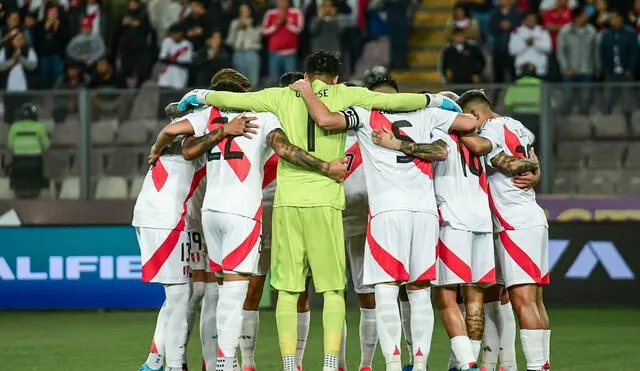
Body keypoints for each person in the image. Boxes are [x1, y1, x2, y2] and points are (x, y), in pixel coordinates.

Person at [176, 50, 460, 371]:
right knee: (333, 290)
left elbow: (237, 101)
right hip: (326, 202)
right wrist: (434, 101)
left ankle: (288, 365)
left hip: (287, 202)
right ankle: (328, 365)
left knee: (287, 289)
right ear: (336, 77)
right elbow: (395, 103)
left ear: (306, 75)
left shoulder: (280, 95)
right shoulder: (347, 94)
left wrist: (199, 95)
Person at [150, 68, 347, 371]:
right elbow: (285, 149)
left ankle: (214, 362)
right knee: (234, 291)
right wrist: (324, 166)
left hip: (210, 213)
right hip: (242, 212)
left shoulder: (209, 114)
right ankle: (228, 364)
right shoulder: (263, 115)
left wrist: (160, 147)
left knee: (218, 289)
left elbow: (184, 144)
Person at [290, 72, 478, 371]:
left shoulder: (365, 113)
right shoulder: (425, 112)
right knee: (419, 293)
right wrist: (443, 104)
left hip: (387, 213)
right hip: (425, 213)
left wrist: (305, 90)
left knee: (386, 291)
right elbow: (465, 128)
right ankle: (419, 365)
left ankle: (391, 364)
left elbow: (325, 121)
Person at [457, 89, 551, 371]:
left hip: (514, 223)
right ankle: (544, 364)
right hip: (532, 217)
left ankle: (536, 367)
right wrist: (537, 168)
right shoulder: (517, 126)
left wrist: (452, 128)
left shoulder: (493, 129)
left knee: (522, 301)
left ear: (474, 115)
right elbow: (531, 152)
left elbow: (487, 151)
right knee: (535, 302)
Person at [238, 71, 315, 371]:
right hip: (262, 215)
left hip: (296, 215)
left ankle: (295, 363)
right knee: (253, 288)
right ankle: (247, 362)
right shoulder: (262, 124)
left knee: (299, 291)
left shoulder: (312, 127)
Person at [132, 104, 209, 371]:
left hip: (154, 218)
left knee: (181, 293)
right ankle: (172, 366)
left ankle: (154, 362)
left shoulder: (169, 145)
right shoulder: (190, 146)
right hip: (168, 221)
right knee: (179, 296)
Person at [556, 5, 597, 114]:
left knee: (586, 98)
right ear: (577, 17)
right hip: (570, 72)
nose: (587, 17)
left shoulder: (591, 31)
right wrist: (566, 68)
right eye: (584, 15)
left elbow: (595, 51)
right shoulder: (565, 31)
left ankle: (583, 122)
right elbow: (560, 52)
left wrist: (597, 68)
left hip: (587, 71)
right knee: (568, 98)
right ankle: (567, 121)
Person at [7, 103, 49, 199]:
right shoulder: (40, 127)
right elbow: (46, 145)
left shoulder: (14, 127)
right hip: (35, 162)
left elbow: (10, 145)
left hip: (18, 162)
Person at [600, 10, 638, 113]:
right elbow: (603, 54)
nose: (612, 20)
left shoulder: (630, 33)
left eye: (614, 18)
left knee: (627, 99)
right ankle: (607, 119)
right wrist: (606, 70)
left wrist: (630, 69)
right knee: (608, 98)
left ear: (620, 18)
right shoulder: (606, 35)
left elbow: (634, 52)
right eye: (611, 18)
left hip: (626, 72)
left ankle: (628, 121)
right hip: (611, 73)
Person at [261, 0, 304, 86]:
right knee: (274, 80)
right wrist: (277, 24)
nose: (282, 3)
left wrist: (286, 23)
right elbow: (264, 31)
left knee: (291, 81)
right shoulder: (270, 13)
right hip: (274, 52)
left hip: (290, 52)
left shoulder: (296, 12)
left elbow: (299, 29)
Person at [114, 0, 155, 88]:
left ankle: (138, 86)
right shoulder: (124, 14)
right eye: (131, 3)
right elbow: (117, 32)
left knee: (142, 72)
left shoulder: (144, 15)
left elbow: (149, 29)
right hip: (127, 48)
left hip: (140, 48)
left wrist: (135, 23)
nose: (132, 5)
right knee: (126, 71)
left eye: (134, 3)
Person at [0, 31, 38, 123]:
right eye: (17, 39)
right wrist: (13, 60)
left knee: (26, 112)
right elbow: (1, 66)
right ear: (12, 40)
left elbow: (33, 65)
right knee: (10, 115)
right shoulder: (4, 51)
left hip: (25, 89)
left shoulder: (29, 50)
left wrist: (20, 58)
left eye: (21, 39)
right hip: (9, 90)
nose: (20, 41)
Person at [157, 23, 193, 119]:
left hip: (179, 78)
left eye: (175, 34)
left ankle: (177, 119)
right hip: (166, 76)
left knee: (178, 102)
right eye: (172, 34)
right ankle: (161, 118)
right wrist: (173, 60)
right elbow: (162, 58)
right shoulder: (167, 42)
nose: (173, 36)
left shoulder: (187, 45)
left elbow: (187, 63)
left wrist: (173, 60)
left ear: (181, 33)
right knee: (163, 100)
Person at [226, 3, 262, 88]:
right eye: (241, 11)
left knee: (253, 81)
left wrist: (249, 26)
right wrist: (236, 29)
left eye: (246, 10)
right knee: (239, 82)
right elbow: (229, 41)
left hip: (251, 53)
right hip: (238, 53)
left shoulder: (255, 23)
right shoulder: (234, 23)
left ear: (250, 11)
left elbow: (256, 39)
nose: (243, 13)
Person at [508, 12, 551, 78]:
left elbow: (548, 48)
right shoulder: (516, 32)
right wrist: (525, 44)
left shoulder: (543, 31)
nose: (532, 20)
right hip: (521, 68)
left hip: (540, 69)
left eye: (534, 19)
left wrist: (535, 43)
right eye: (530, 19)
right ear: (524, 20)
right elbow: (512, 51)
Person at [489, 0, 522, 83]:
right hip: (498, 47)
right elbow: (491, 28)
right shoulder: (495, 13)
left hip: (513, 49)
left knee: (513, 74)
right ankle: (496, 94)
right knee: (498, 74)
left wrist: (511, 25)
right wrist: (500, 26)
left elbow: (520, 28)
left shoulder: (517, 13)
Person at [38, 7, 69, 88]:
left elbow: (64, 39)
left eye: (54, 14)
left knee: (57, 77)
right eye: (51, 13)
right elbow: (37, 40)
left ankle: (56, 97)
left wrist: (56, 28)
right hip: (44, 56)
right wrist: (45, 28)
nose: (52, 16)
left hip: (57, 56)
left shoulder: (62, 25)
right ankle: (45, 98)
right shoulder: (41, 24)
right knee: (45, 78)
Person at [542, 0, 573, 81]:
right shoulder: (550, 12)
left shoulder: (572, 12)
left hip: (570, 49)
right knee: (554, 72)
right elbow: (548, 26)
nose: (559, 1)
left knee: (568, 72)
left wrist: (557, 27)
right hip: (554, 47)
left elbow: (573, 27)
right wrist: (564, 27)